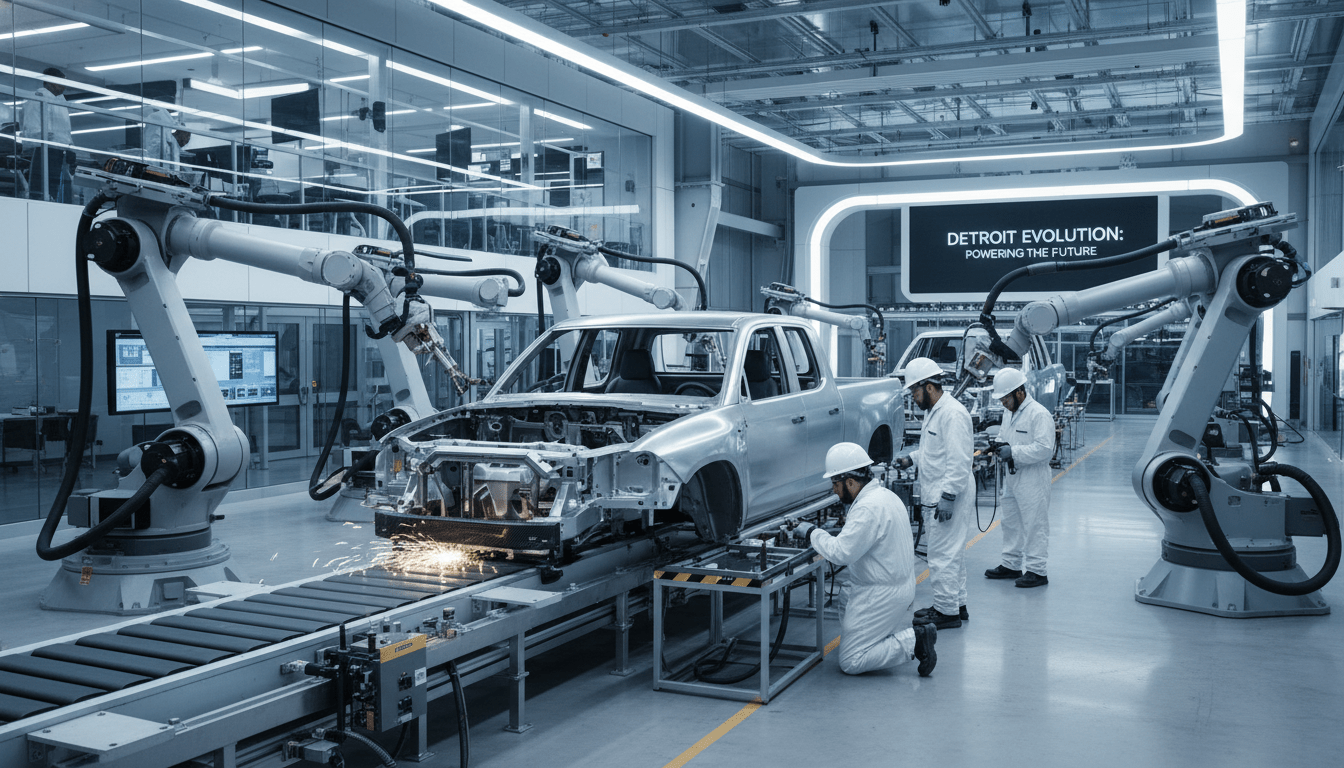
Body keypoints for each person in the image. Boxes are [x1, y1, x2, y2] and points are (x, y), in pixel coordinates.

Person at [797, 442, 936, 676]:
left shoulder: (868, 509)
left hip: (882, 593)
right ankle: (870, 637)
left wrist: (811, 532)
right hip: (892, 584)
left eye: (835, 483)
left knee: (851, 661)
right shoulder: (884, 496)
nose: (833, 490)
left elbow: (841, 554)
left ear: (850, 482)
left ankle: (915, 640)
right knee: (845, 593)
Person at [896, 357, 974, 630]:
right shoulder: (935, 412)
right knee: (952, 553)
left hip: (949, 492)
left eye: (914, 392)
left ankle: (946, 612)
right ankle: (956, 603)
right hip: (941, 490)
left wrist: (949, 496)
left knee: (942, 554)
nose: (913, 398)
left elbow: (959, 459)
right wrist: (911, 459)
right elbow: (934, 451)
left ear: (928, 387)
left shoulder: (951, 414)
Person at [985, 367, 1055, 588]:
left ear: (1019, 392)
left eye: (1005, 398)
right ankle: (1011, 564)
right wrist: (997, 445)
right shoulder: (1010, 412)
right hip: (1012, 476)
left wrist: (1013, 452)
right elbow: (1005, 435)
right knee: (1010, 522)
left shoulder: (1039, 414)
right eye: (1001, 399)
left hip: (1033, 478)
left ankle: (1037, 570)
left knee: (1035, 523)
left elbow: (1045, 449)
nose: (1003, 403)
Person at [20, 67, 73, 203]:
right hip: (43, 150)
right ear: (50, 82)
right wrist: (53, 139)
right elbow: (33, 128)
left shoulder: (61, 101)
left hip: (60, 150)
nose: (64, 86)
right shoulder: (38, 98)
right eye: (61, 82)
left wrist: (70, 146)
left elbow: (65, 130)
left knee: (57, 190)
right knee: (41, 190)